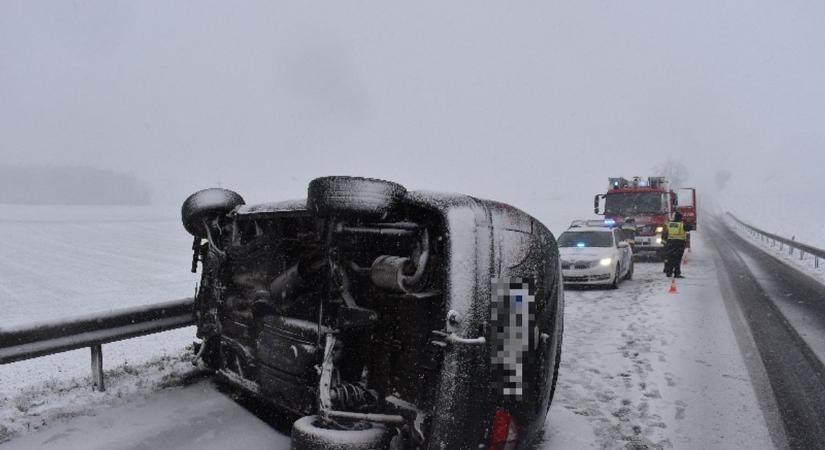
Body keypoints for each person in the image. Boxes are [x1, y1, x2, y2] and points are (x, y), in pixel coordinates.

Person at [661, 212, 692, 278]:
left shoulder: (669, 224)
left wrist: (664, 243)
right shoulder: (681, 225)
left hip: (670, 243)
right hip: (679, 244)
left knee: (670, 258)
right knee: (677, 259)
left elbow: (664, 234)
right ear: (680, 218)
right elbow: (690, 227)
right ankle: (677, 273)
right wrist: (686, 222)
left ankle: (668, 272)